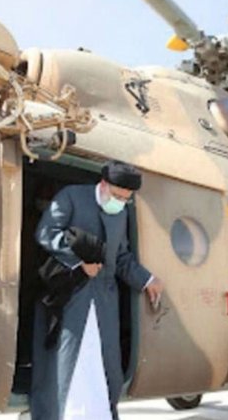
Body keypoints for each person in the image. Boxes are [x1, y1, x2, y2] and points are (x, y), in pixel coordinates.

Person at [30, 160, 164, 420]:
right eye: (116, 196)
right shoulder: (71, 196)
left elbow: (121, 257)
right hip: (70, 296)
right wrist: (79, 262)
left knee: (105, 366)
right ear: (103, 184)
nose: (119, 202)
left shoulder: (120, 213)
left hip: (103, 301)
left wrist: (147, 280)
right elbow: (46, 232)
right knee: (68, 364)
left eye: (125, 199)